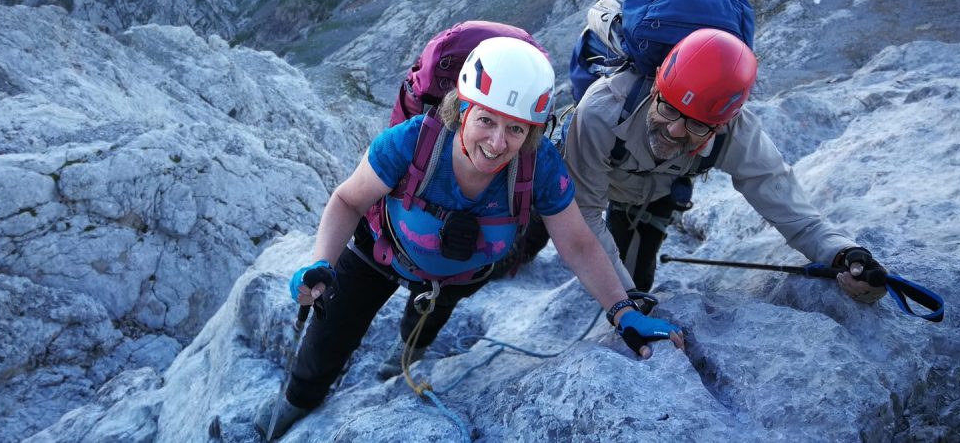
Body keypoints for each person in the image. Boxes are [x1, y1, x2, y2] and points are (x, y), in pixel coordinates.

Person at [254, 36, 685, 440]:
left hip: (458, 275)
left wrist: (622, 310)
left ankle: (405, 354)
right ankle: (295, 403)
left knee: (425, 321)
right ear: (462, 109)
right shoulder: (410, 143)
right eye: (486, 120)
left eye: (516, 129)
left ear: (533, 131)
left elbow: (577, 243)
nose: (498, 143)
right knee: (328, 344)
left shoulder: (540, 166)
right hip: (378, 255)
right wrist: (322, 262)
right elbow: (348, 201)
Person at [563, 27, 889, 301]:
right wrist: (622, 305)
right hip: (593, 180)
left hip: (658, 193)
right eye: (669, 108)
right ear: (655, 87)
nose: (674, 130)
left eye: (696, 124)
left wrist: (844, 254)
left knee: (637, 279)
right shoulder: (602, 110)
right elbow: (583, 211)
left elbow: (795, 214)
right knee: (542, 220)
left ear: (721, 125)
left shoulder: (736, 133)